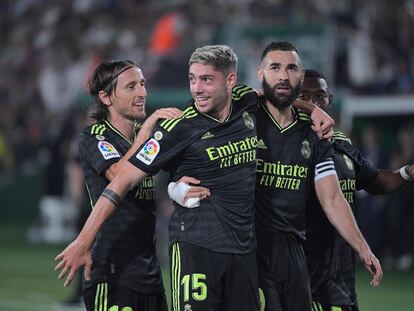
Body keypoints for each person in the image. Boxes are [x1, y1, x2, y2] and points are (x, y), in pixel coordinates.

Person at [54, 46, 333, 311]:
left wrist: (313, 110)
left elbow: (276, 97)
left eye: (206, 80)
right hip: (196, 251)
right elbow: (121, 181)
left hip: (243, 254)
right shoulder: (177, 127)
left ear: (230, 80)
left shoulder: (246, 103)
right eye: (192, 79)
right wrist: (82, 241)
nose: (197, 88)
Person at [253, 41, 382, 311]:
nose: (283, 76)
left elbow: (333, 199)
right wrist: (178, 185)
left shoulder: (316, 134)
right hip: (249, 249)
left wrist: (362, 247)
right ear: (260, 73)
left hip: (294, 254)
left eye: (291, 69)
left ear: (300, 76)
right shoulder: (243, 116)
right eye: (275, 67)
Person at [60, 59, 190, 311]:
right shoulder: (95, 136)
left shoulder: (147, 135)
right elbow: (120, 174)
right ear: (106, 96)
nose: (142, 92)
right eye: (131, 87)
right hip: (111, 271)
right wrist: (149, 129)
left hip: (150, 273)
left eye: (142, 84)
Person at [300, 69, 414, 311]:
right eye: (304, 96)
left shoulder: (341, 143)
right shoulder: (284, 145)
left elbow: (375, 181)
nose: (312, 103)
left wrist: (407, 172)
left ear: (329, 101)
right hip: (307, 280)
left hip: (342, 276)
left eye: (319, 96)